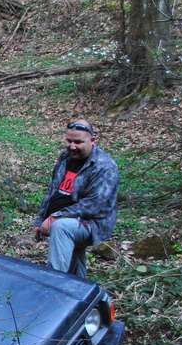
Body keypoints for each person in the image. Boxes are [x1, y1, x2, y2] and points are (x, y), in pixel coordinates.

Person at [33, 119, 119, 278]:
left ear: (92, 140)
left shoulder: (105, 166)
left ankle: (54, 283)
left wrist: (54, 218)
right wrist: (41, 219)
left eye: (78, 142)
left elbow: (92, 206)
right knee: (73, 256)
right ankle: (79, 292)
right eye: (69, 141)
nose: (72, 146)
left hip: (92, 223)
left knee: (61, 228)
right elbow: (53, 190)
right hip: (66, 218)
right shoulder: (65, 156)